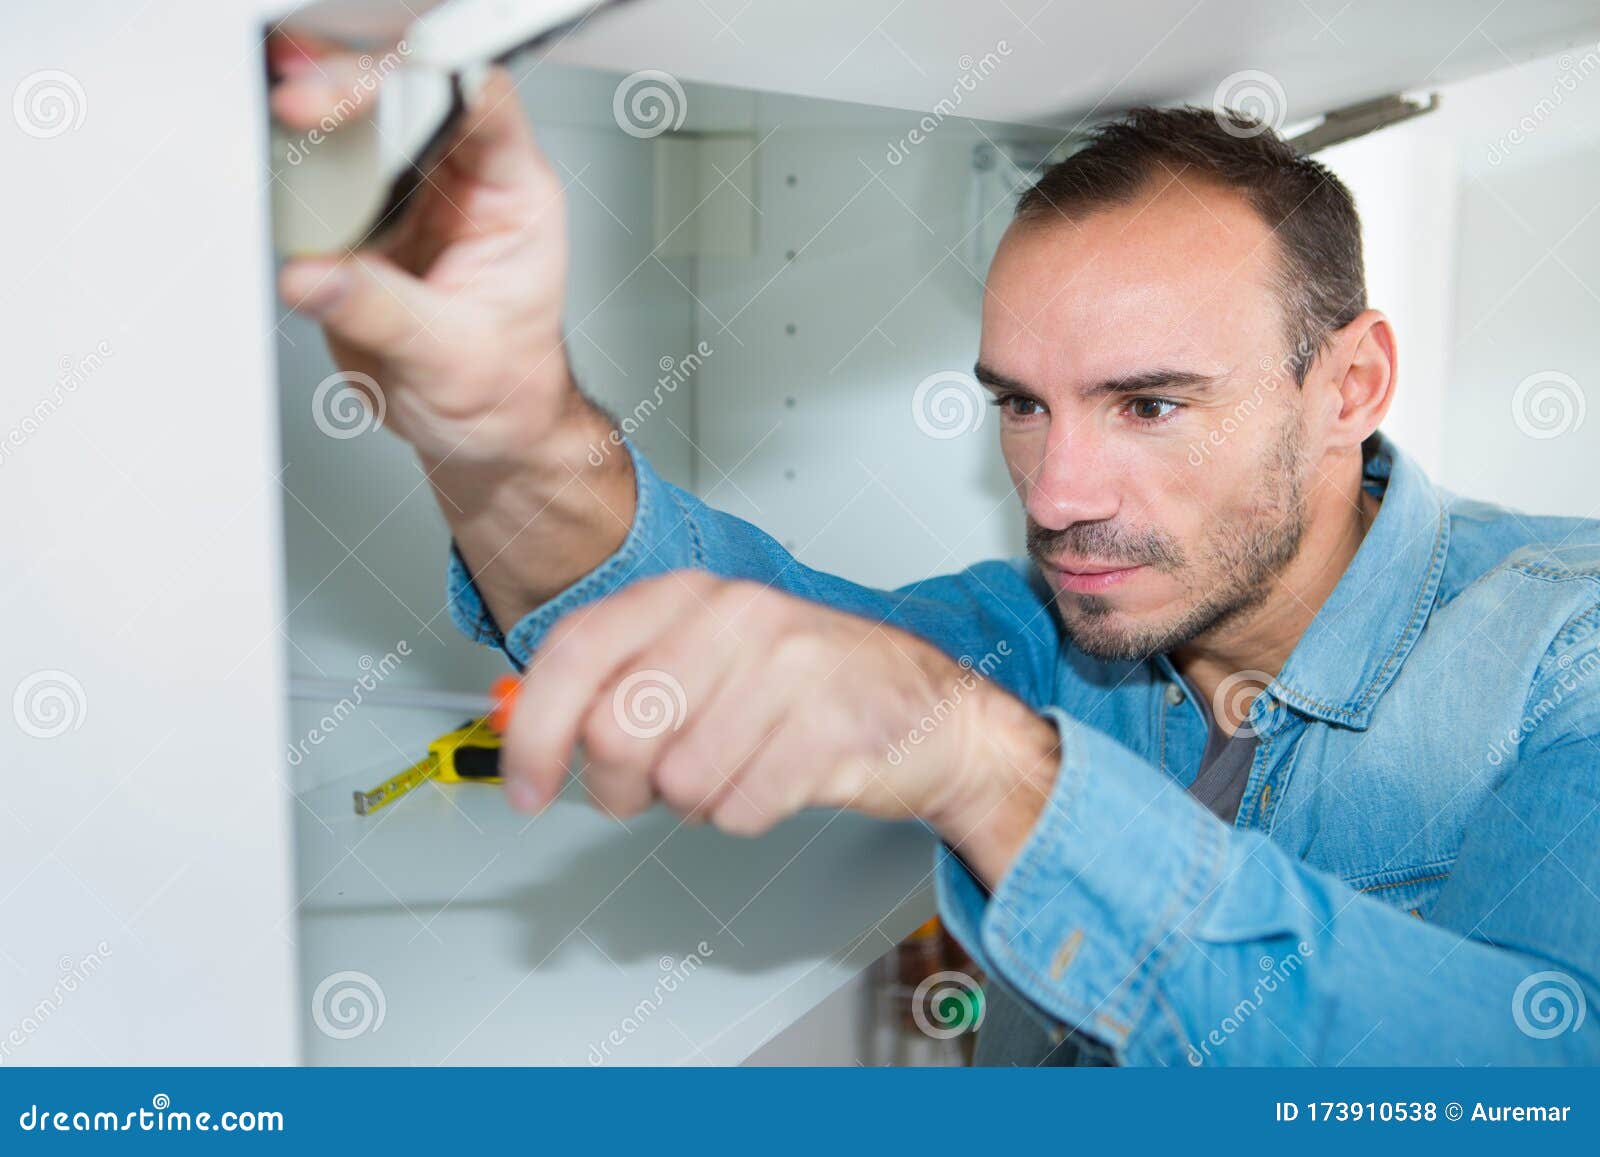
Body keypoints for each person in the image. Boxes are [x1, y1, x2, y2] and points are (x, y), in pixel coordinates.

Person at [272, 35, 1600, 1065]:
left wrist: (987, 764)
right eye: (1021, 404)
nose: (1060, 493)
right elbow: (727, 624)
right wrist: (505, 434)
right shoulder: (1060, 625)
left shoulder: (1564, 645)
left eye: (1150, 403)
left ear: (1352, 382)